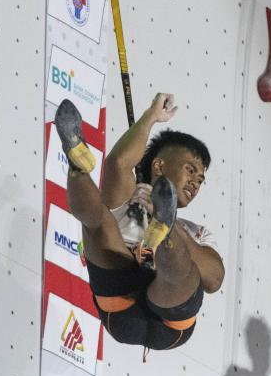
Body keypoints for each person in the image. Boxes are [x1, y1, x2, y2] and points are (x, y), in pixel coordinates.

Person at [54, 93, 224, 352]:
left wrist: (172, 224)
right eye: (190, 170)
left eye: (200, 180)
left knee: (179, 268)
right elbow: (118, 163)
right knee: (101, 223)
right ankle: (78, 164)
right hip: (122, 303)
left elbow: (214, 279)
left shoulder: (196, 232)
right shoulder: (131, 197)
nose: (195, 182)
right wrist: (152, 116)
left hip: (169, 317)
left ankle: (165, 231)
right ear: (159, 166)